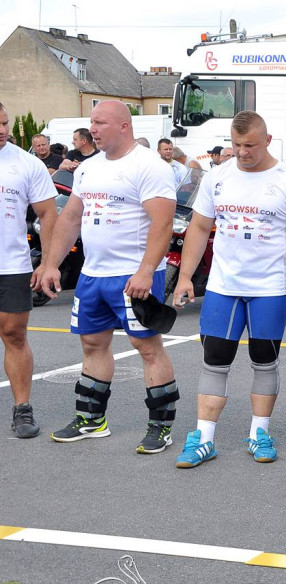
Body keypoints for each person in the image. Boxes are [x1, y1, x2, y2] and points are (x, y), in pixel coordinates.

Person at [173, 111, 286, 468]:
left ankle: (259, 433)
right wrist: (185, 276)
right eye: (236, 145)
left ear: (268, 141)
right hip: (224, 287)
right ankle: (204, 439)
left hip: (268, 288)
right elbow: (198, 228)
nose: (241, 152)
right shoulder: (218, 177)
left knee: (264, 361)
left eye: (249, 145)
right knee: (214, 360)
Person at [37, 101, 179, 454]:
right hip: (93, 274)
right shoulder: (89, 167)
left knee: (146, 346)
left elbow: (163, 223)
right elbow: (71, 218)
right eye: (92, 123)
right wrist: (52, 264)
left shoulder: (149, 167)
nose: (93, 129)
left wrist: (146, 270)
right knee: (92, 345)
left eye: (100, 122)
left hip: (134, 276)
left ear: (123, 126)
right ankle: (91, 420)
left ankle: (160, 427)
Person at [0, 102, 58, 438]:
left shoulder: (26, 163)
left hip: (12, 266)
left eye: (5, 123)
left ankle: (22, 409)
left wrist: (48, 263)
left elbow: (49, 215)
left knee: (15, 335)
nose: (3, 130)